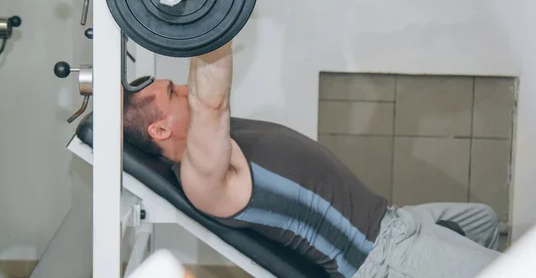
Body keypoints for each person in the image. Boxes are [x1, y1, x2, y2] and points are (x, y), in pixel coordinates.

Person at [122, 42, 501, 278]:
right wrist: (200, 15)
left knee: (484, 220)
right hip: (382, 258)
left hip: (394, 222)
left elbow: (212, 88)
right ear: (159, 131)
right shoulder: (201, 176)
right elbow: (211, 100)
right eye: (172, 92)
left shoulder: (217, 142)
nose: (184, 88)